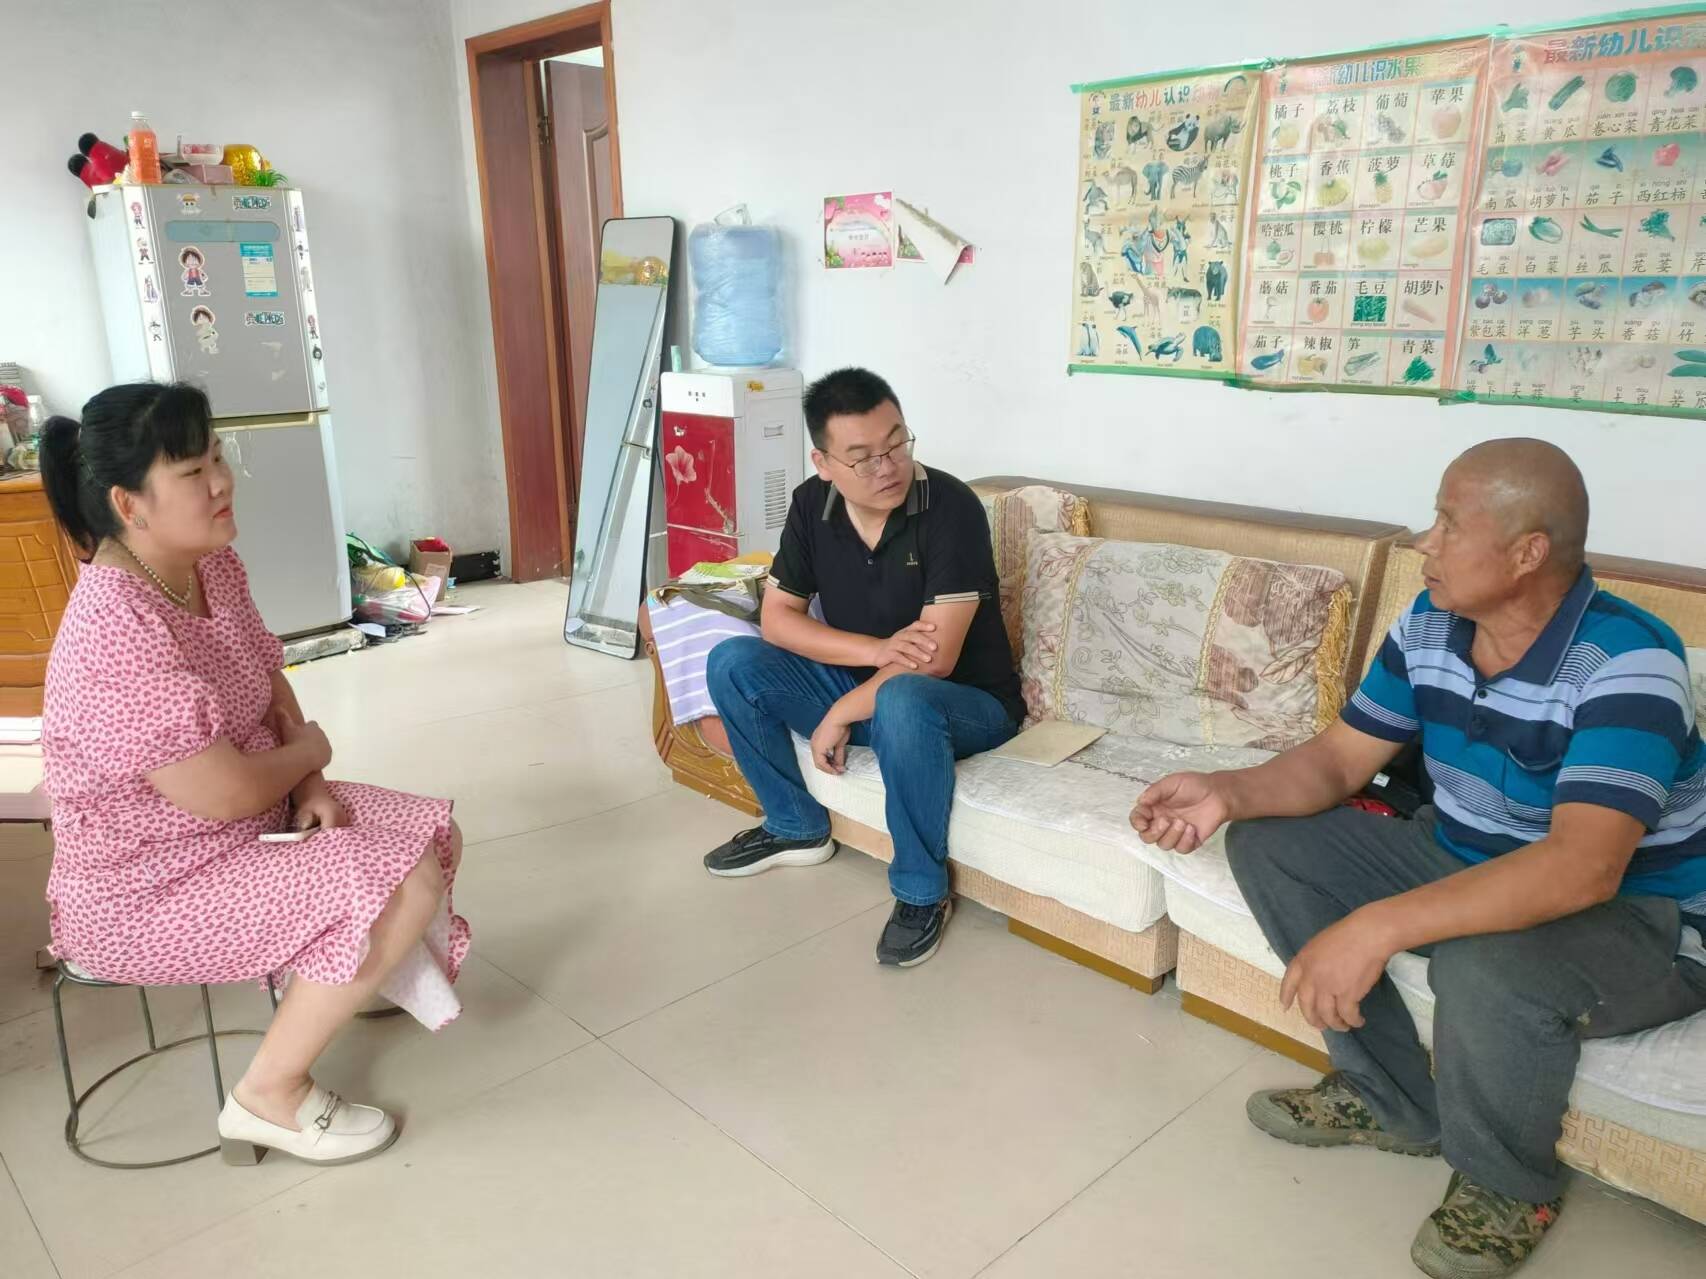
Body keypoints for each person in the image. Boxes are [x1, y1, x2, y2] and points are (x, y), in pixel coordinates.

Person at [1131, 439, 1706, 1279]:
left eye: (1448, 522)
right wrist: (1228, 791)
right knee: (1269, 843)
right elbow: (1338, 761)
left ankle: (1507, 1186)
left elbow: (1583, 868)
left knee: (1486, 964)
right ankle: (1391, 1099)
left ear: (1527, 553)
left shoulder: (1631, 661)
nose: (1423, 542)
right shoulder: (1430, 623)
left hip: (1639, 914)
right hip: (1462, 854)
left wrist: (1376, 925)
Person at [40, 382, 470, 1167]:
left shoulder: (210, 564)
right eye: (192, 471)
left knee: (430, 836)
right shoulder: (113, 627)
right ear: (129, 505)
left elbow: (267, 678)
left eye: (217, 457)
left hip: (249, 823)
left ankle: (332, 979)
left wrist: (310, 785)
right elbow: (224, 792)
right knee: (399, 883)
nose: (220, 481)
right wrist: (310, 755)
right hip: (150, 886)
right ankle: (269, 1092)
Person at [704, 368, 1022, 966]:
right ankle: (794, 826)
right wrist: (875, 652)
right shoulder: (811, 503)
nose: (888, 467)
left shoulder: (951, 508)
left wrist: (842, 712)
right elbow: (778, 620)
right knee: (732, 661)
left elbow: (934, 660)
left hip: (967, 705)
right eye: (863, 458)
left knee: (903, 696)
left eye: (897, 444)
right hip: (871, 684)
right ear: (824, 463)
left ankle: (922, 893)